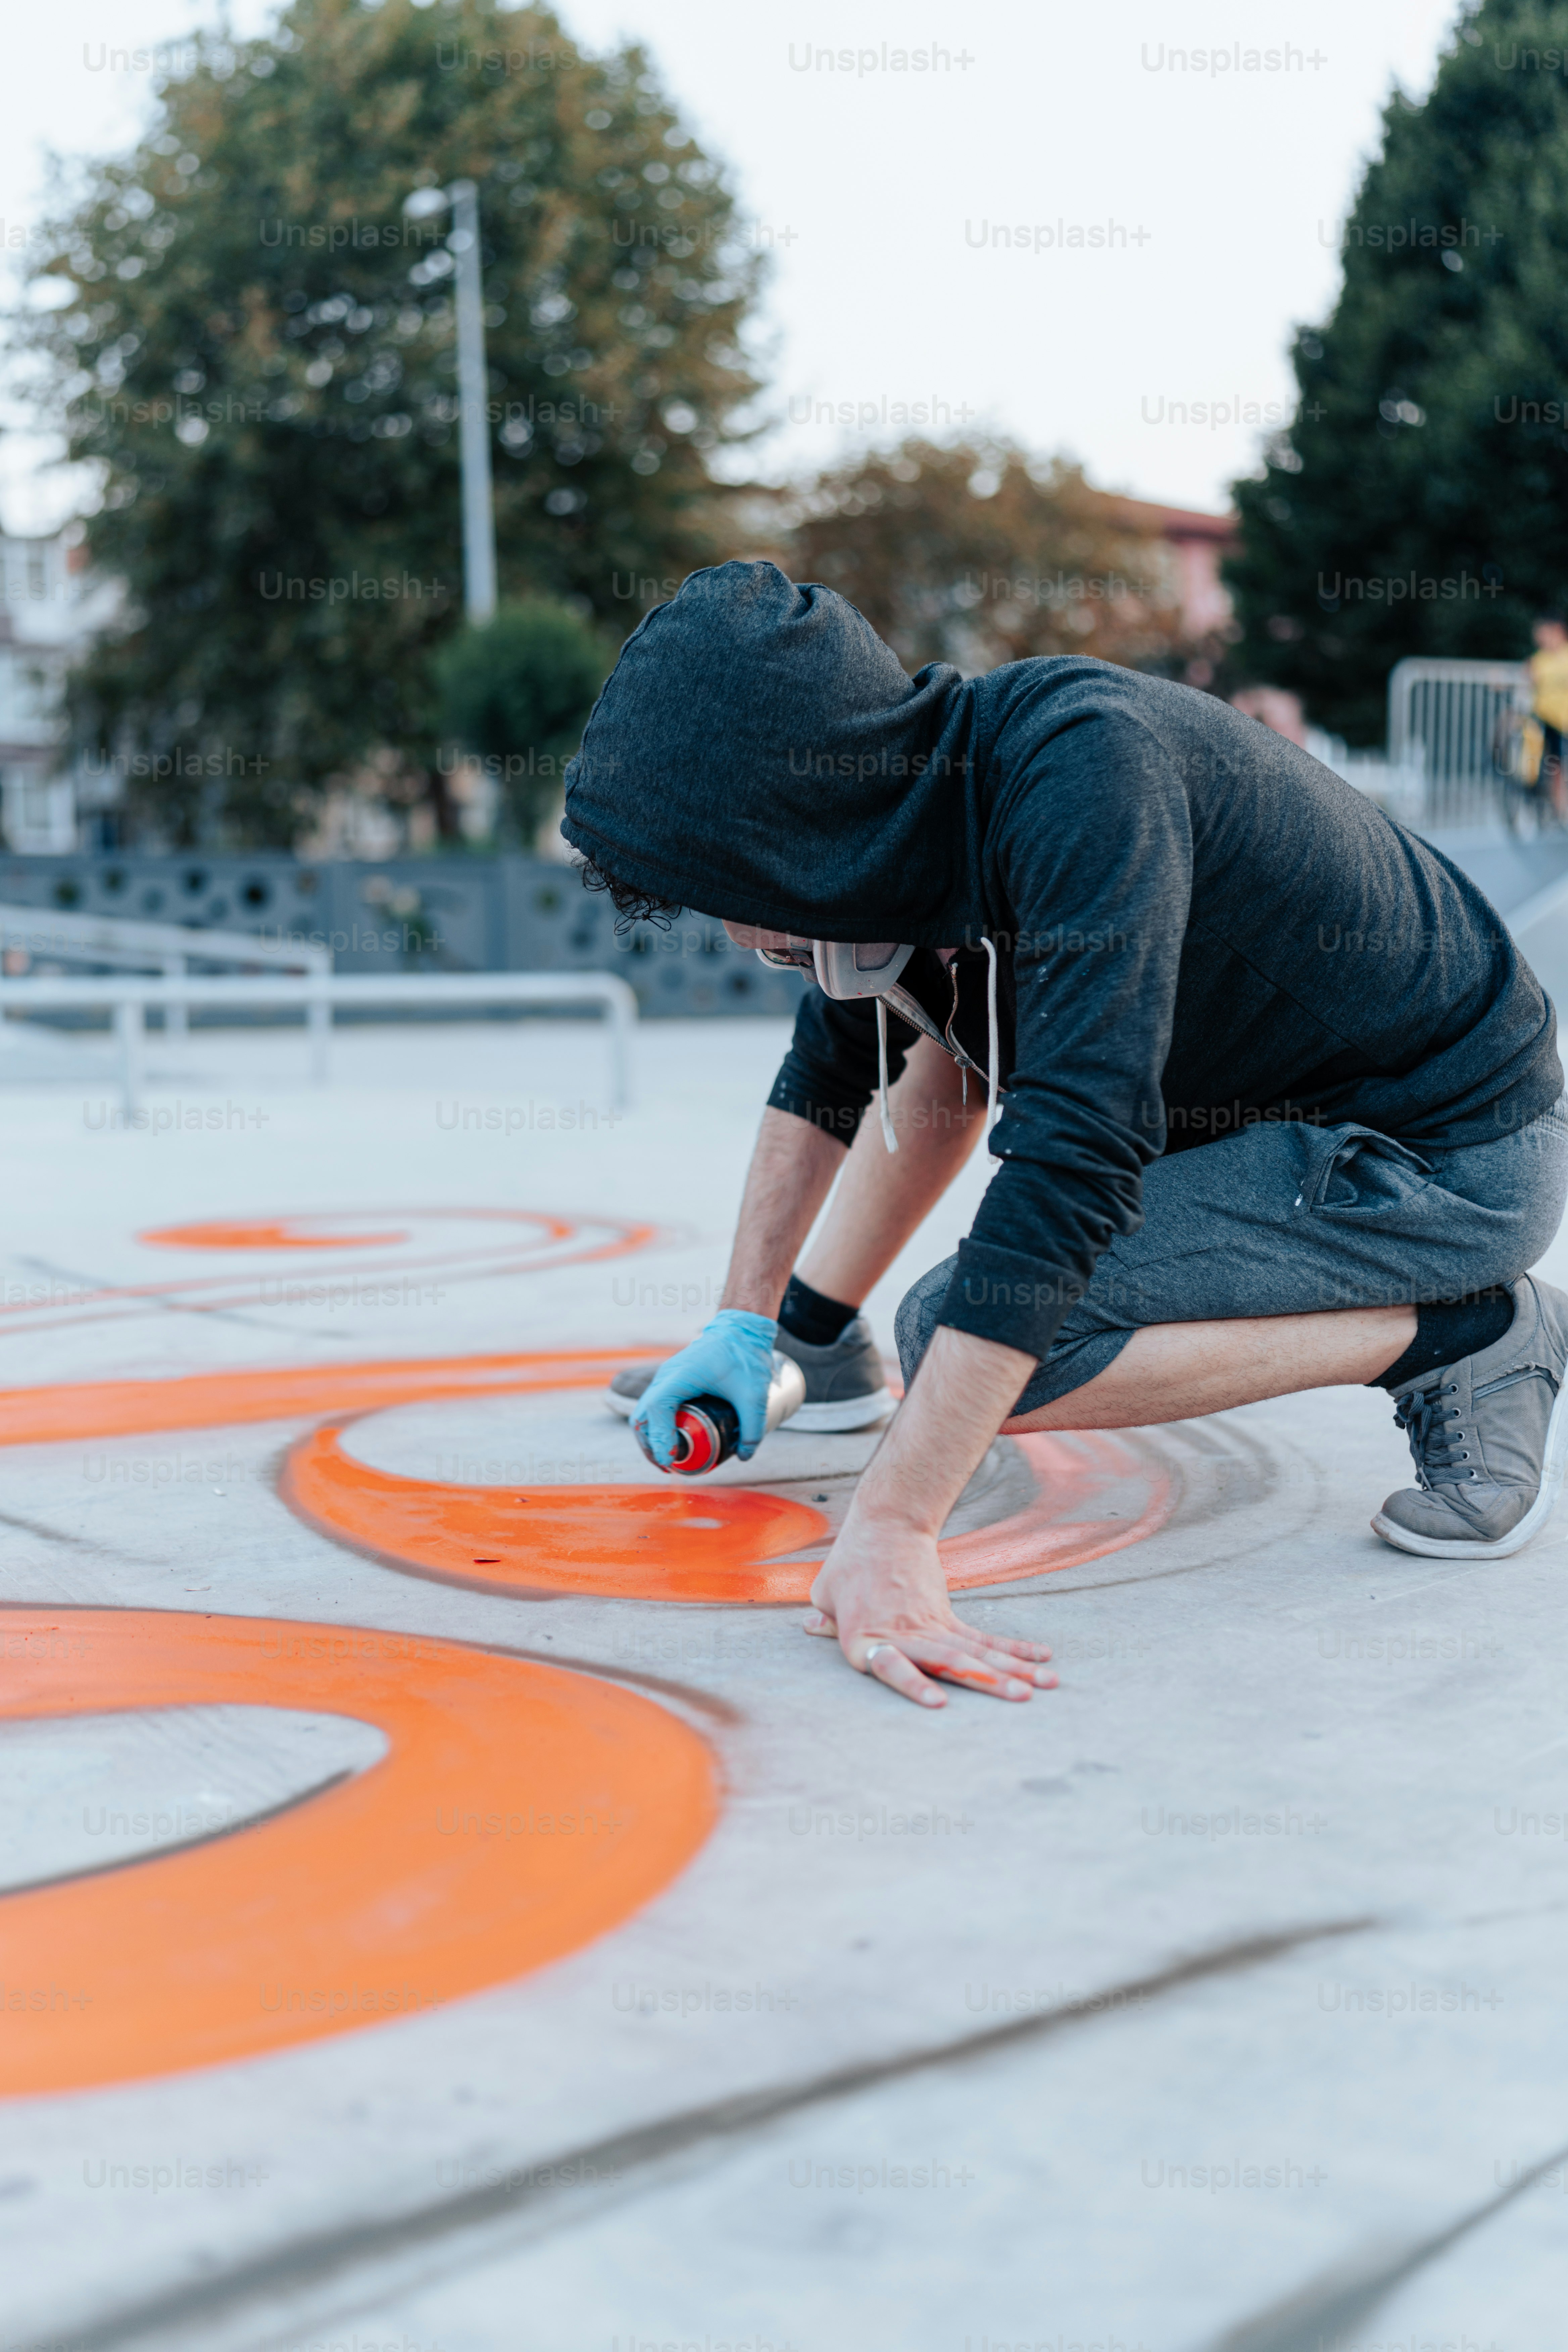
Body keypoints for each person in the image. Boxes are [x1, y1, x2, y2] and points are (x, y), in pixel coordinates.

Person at [564, 562, 1568, 1711]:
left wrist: (895, 1521)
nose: (739, 930)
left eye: (730, 886)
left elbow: (1075, 1153)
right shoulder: (913, 819)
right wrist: (757, 1329)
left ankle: (1466, 1332)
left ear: (798, 825)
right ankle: (822, 1340)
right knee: (942, 1040)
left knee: (962, 1331)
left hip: (1445, 1151)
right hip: (1285, 1126)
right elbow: (854, 1064)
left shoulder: (1085, 776)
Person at [1528, 615, 1568, 818]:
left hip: (1565, 721)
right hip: (1547, 722)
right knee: (1554, 767)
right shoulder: (1538, 660)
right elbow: (1527, 688)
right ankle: (1559, 811)